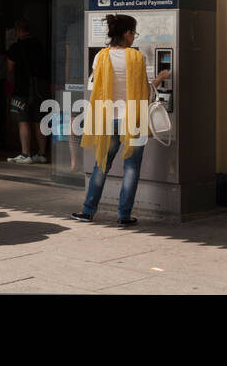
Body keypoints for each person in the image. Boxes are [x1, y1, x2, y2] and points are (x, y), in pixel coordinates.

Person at [71, 14, 170, 225]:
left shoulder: (100, 57)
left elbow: (98, 87)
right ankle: (123, 216)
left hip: (108, 118)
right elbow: (145, 92)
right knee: (131, 168)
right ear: (126, 33)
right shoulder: (136, 57)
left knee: (101, 164)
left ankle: (87, 212)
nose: (134, 37)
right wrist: (160, 78)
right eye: (134, 33)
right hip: (133, 119)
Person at [6, 20, 49, 164]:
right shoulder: (39, 46)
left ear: (18, 31)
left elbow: (10, 69)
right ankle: (42, 154)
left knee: (23, 121)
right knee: (39, 120)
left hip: (21, 88)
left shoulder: (15, 47)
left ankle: (26, 154)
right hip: (39, 89)